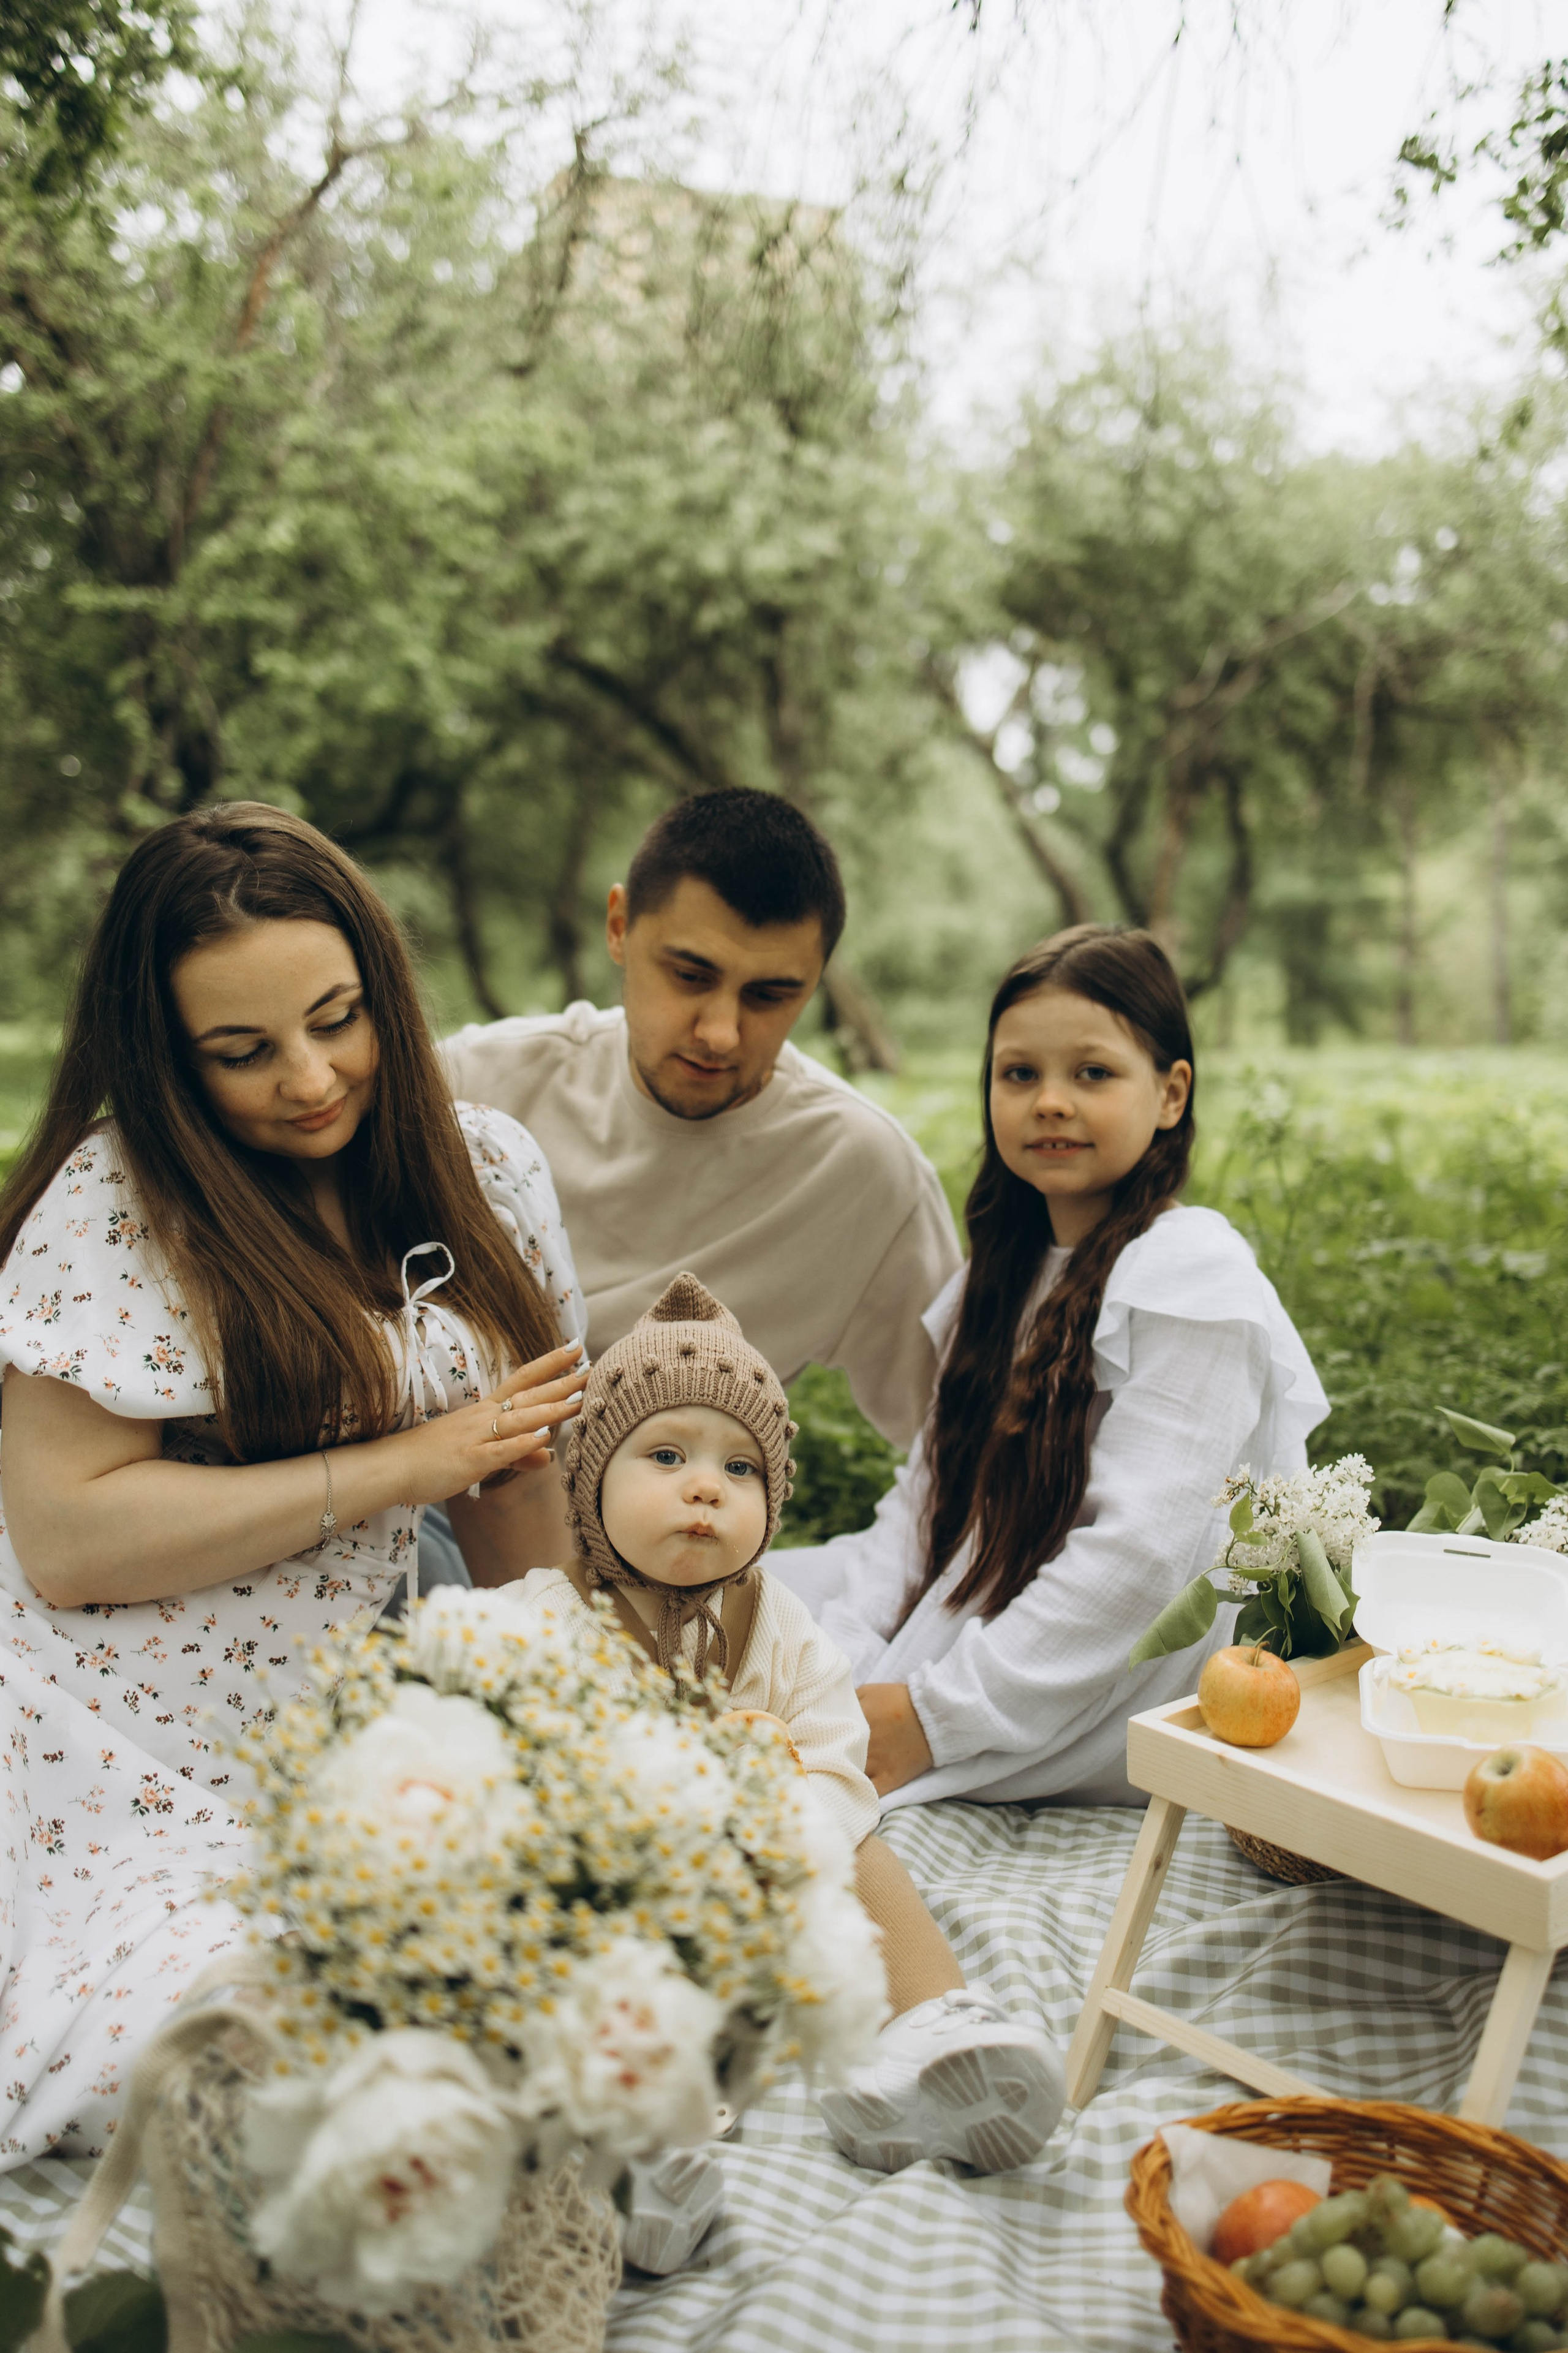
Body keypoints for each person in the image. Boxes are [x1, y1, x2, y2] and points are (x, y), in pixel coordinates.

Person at [0, 804, 589, 2166]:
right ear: (165, 1059)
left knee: (564, 1925)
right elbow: (68, 1541)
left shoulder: (489, 1173)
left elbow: (514, 1499)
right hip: (81, 1729)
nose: (312, 1077)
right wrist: (400, 1465)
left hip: (314, 1726)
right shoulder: (115, 1203)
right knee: (239, 2030)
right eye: (242, 1051)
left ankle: (585, 2153)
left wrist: (566, 1732)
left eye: (338, 1019)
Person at [510, 1274, 1065, 2270]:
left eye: (740, 1468)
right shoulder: (542, 1621)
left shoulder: (779, 1625)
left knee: (863, 1851)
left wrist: (792, 1801)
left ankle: (927, 2031)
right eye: (666, 1455)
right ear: (589, 1480)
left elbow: (838, 1751)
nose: (706, 1487)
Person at [770, 925, 1330, 1811]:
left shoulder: (1193, 1271)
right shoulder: (1002, 1276)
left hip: (1109, 1678)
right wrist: (837, 1661)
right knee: (721, 1605)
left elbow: (1139, 1564)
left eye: (1093, 1073)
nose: (1051, 1102)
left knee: (775, 1719)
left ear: (1171, 1093)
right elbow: (924, 1506)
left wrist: (926, 1718)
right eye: (1020, 1074)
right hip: (991, 1592)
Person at [439, 787, 961, 1443]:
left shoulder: (865, 1172)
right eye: (690, 975)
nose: (720, 1033)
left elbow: (961, 1442)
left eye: (769, 995)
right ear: (619, 927)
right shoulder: (472, 1083)